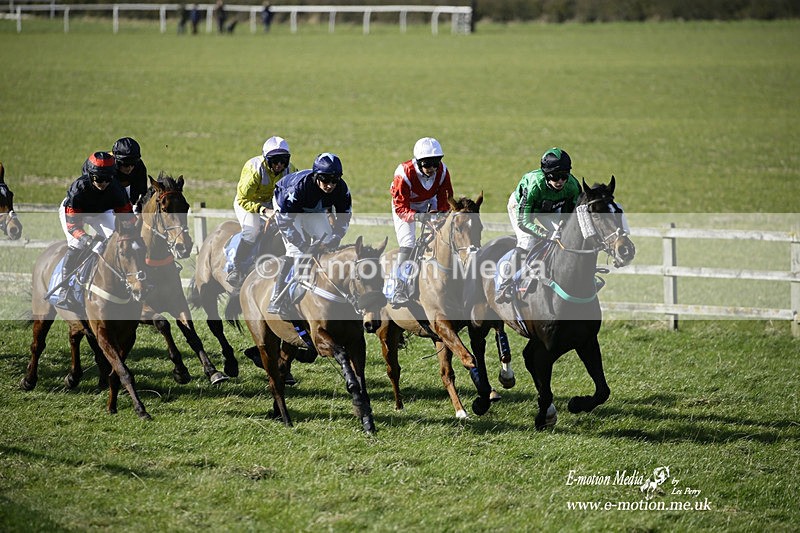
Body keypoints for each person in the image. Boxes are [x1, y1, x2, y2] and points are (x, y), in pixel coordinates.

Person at [267, 153, 352, 314]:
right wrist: (303, 245)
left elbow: (344, 218)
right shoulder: (297, 189)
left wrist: (335, 238)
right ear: (316, 176)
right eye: (325, 180)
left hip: (313, 208)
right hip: (287, 208)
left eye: (335, 180)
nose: (330, 185)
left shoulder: (342, 189)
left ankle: (328, 286)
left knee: (329, 242)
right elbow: (285, 222)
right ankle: (277, 296)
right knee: (296, 251)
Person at [495, 147, 580, 303]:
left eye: (564, 176)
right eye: (555, 176)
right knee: (528, 241)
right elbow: (524, 222)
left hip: (549, 208)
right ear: (546, 174)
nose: (560, 181)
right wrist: (546, 234)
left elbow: (569, 218)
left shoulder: (573, 187)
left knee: (565, 238)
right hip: (522, 209)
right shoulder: (534, 185)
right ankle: (503, 285)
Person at [56, 152, 135, 309]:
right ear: (91, 176)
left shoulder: (116, 189)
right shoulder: (78, 190)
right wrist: (89, 241)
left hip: (100, 212)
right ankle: (64, 290)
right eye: (99, 179)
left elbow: (127, 217)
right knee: (77, 245)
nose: (103, 183)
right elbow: (73, 227)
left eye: (107, 179)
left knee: (117, 239)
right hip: (76, 214)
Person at [388, 137, 453, 307]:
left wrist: (437, 218)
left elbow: (445, 202)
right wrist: (418, 216)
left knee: (443, 237)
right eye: (427, 164)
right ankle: (399, 288)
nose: (431, 168)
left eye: (435, 163)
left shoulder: (442, 171)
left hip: (429, 202)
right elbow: (401, 208)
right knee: (408, 243)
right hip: (405, 205)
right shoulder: (404, 173)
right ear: (418, 162)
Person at [227, 136, 297, 289]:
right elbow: (243, 199)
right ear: (266, 159)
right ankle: (237, 269)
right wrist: (264, 210)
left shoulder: (290, 170)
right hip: (248, 202)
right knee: (251, 232)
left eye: (283, 160)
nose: (279, 165)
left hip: (272, 203)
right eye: (275, 161)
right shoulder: (254, 169)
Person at [82, 137, 147, 214]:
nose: (130, 168)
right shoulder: (104, 168)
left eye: (133, 164)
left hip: (121, 187)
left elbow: (140, 192)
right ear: (116, 159)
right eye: (125, 164)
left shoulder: (139, 166)